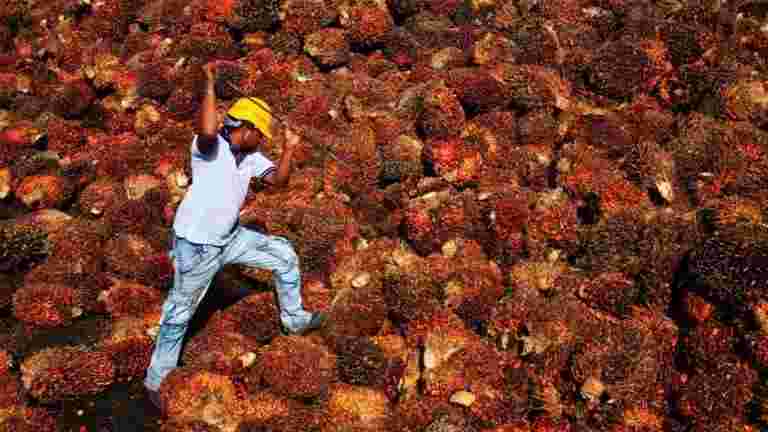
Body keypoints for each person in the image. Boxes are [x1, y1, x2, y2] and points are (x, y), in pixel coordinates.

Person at [144, 62, 327, 408]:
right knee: (180, 311)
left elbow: (279, 182)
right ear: (245, 128)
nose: (262, 141)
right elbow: (209, 129)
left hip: (230, 238)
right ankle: (157, 379)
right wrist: (210, 84)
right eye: (261, 134)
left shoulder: (251, 156)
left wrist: (289, 148)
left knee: (284, 255)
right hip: (196, 246)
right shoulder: (209, 149)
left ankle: (296, 320)